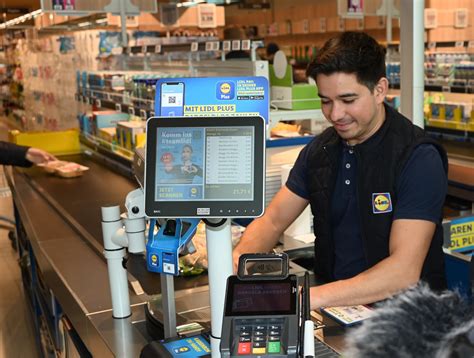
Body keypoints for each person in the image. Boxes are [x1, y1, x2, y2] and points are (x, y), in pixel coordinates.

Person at [233, 31, 448, 310]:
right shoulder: (320, 150)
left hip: (408, 323)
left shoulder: (417, 157)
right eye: (325, 101)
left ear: (380, 90)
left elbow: (402, 272)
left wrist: (304, 299)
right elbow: (272, 221)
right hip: (340, 312)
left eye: (348, 100)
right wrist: (238, 262)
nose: (335, 115)